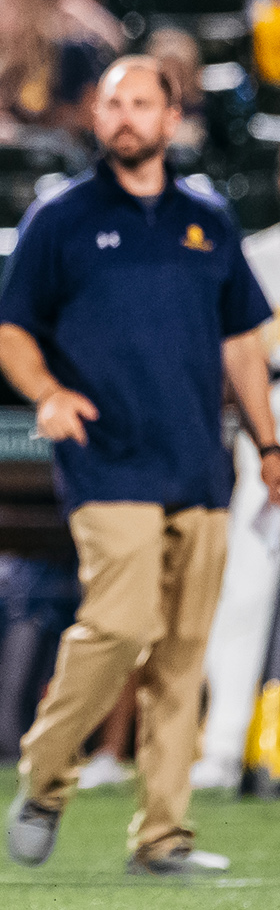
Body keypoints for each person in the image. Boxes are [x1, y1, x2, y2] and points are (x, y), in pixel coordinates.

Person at [0, 56, 280, 876]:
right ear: (96, 117)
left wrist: (267, 443)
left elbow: (242, 346)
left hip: (199, 460)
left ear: (171, 117)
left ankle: (163, 836)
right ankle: (46, 775)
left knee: (185, 653)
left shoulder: (209, 220)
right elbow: (12, 328)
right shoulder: (61, 217)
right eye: (113, 103)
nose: (124, 116)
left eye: (141, 103)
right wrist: (47, 391)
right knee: (119, 625)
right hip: (105, 454)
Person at [194, 161, 280, 791]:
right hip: (270, 421)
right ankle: (221, 747)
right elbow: (237, 347)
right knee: (244, 591)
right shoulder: (259, 252)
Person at [0, 0, 115, 157]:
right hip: (21, 160)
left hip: (70, 157)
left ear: (31, 8)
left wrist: (22, 135)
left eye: (7, 4)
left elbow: (82, 122)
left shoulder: (71, 52)